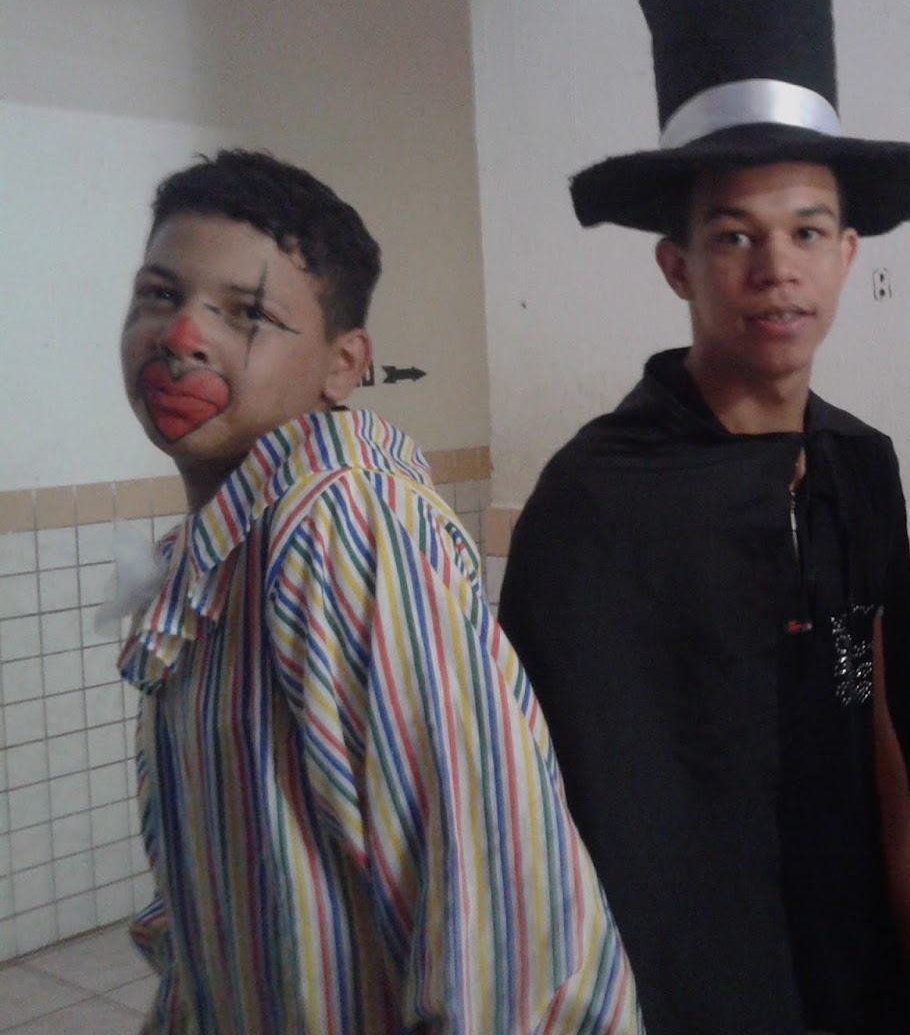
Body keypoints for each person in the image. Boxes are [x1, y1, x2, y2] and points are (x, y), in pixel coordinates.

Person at [497, 0, 910, 1035]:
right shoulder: (599, 499)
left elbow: (869, 713)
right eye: (735, 236)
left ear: (847, 254)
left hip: (847, 961)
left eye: (808, 231)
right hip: (678, 982)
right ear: (678, 265)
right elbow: (546, 799)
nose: (776, 269)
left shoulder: (856, 467)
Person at [115, 149, 641, 1034]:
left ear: (343, 364)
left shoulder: (337, 526)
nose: (183, 337)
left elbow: (494, 926)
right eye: (160, 295)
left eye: (246, 313)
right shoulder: (217, 557)